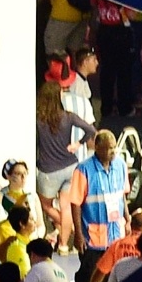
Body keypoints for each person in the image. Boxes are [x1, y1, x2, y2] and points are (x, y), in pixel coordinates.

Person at [61, 129, 129, 282]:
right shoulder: (83, 169)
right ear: (97, 148)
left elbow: (122, 195)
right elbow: (75, 203)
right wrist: (78, 234)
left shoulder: (120, 165)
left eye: (113, 148)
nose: (111, 152)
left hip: (115, 238)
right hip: (92, 240)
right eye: (107, 148)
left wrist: (127, 219)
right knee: (86, 281)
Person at [35, 80, 99, 235]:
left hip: (48, 169)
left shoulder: (38, 119)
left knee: (46, 205)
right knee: (66, 206)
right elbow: (90, 129)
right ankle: (64, 244)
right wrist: (78, 144)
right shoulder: (68, 117)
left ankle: (67, 228)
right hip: (71, 166)